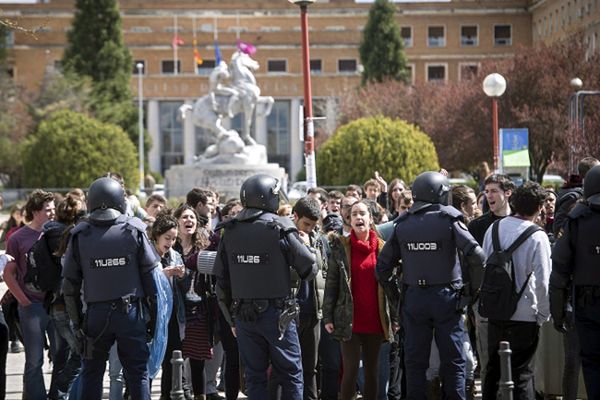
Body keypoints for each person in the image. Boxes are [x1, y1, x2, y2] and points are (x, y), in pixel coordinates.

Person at [376, 171, 485, 400]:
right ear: (441, 193)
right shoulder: (449, 219)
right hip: (447, 298)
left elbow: (382, 268)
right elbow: (478, 256)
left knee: (415, 362)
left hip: (414, 298)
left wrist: (398, 297)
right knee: (453, 361)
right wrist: (471, 292)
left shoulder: (404, 223)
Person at [213, 174, 317, 400]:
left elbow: (220, 281)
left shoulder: (229, 229)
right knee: (291, 372)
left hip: (244, 316)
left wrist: (232, 319)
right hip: (277, 314)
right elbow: (309, 267)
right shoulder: (279, 226)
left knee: (254, 375)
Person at [61, 177, 160, 400]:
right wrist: (153, 318)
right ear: (119, 200)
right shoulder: (133, 230)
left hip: (96, 315)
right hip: (130, 314)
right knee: (137, 373)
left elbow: (69, 285)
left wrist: (77, 323)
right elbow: (150, 279)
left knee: (92, 373)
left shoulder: (80, 234)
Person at [481, 181, 551, 399]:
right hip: (525, 315)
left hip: (495, 311)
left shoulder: (493, 229)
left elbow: (484, 268)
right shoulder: (538, 236)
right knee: (522, 375)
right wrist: (543, 314)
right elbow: (543, 281)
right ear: (540, 207)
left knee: (492, 371)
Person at [323, 200, 394, 400]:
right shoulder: (340, 246)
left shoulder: (382, 248)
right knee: (351, 369)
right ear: (349, 219)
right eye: (354, 214)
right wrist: (328, 316)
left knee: (372, 371)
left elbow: (391, 287)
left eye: (362, 213)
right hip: (349, 320)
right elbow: (332, 283)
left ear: (371, 219)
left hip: (375, 319)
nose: (358, 217)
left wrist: (394, 318)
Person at [550, 164, 600, 400]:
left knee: (591, 362)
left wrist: (557, 312)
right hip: (585, 302)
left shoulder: (577, 220)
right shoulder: (576, 218)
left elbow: (559, 269)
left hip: (587, 305)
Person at [3, 189, 56, 400]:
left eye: (53, 209)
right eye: (48, 209)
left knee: (61, 355)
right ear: (35, 211)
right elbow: (9, 274)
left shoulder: (56, 233)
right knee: (35, 360)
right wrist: (24, 301)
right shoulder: (18, 238)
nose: (52, 213)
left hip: (56, 305)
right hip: (32, 307)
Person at [291, 196, 327, 400]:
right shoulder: (284, 235)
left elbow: (321, 269)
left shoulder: (317, 238)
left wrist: (309, 248)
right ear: (295, 216)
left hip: (313, 311)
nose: (309, 229)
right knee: (288, 367)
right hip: (290, 312)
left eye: (313, 225)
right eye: (306, 224)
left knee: (310, 367)